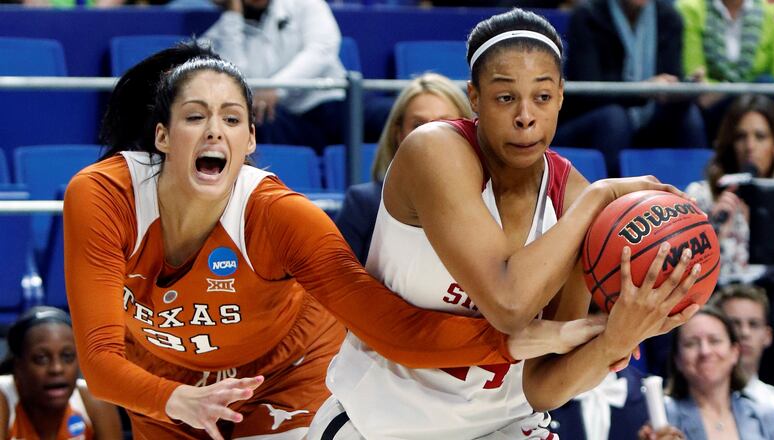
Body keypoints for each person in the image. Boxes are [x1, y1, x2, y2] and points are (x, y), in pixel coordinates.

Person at [65, 42, 612, 439]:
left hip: (283, 374)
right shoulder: (102, 197)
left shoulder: (279, 215)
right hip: (168, 380)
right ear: (162, 136)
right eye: (194, 116)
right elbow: (100, 362)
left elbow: (388, 327)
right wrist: (174, 398)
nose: (213, 130)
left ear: (251, 139)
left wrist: (525, 341)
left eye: (232, 118)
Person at [308, 9, 701, 440]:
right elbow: (509, 306)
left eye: (543, 97)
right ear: (474, 98)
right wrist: (596, 200)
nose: (526, 116)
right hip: (382, 424)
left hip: (505, 426)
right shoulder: (435, 151)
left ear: (562, 98)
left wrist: (616, 340)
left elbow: (543, 386)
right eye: (505, 97)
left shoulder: (574, 199)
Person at [201, 0, 385, 151]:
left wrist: (277, 88)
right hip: (283, 118)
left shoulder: (306, 5)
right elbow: (237, 78)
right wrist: (232, 15)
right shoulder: (220, 35)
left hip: (333, 103)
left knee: (393, 115)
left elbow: (322, 50)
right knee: (254, 125)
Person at [334, 73, 473, 264]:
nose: (429, 135)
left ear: (467, 132)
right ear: (398, 134)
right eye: (418, 125)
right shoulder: (363, 204)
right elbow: (332, 286)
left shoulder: (489, 203)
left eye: (444, 124)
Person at [557, 0, 708, 175]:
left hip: (648, 121)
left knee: (689, 117)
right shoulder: (587, 15)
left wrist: (684, 88)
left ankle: (696, 193)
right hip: (594, 122)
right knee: (614, 119)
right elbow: (590, 93)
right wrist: (644, 90)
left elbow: (671, 74)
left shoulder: (669, 18)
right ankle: (612, 197)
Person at [638, 306, 774, 439]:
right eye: (691, 343)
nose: (705, 351)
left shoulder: (767, 417)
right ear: (677, 359)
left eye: (714, 340)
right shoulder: (660, 419)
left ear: (735, 352)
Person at [685, 94, 774, 284]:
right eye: (741, 137)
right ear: (730, 143)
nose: (750, 147)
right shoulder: (701, 196)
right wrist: (714, 231)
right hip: (719, 300)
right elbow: (685, 272)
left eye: (760, 137)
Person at [0, 306, 122, 440]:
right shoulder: (3, 397)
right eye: (41, 358)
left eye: (67, 356)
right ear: (18, 365)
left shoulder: (94, 400)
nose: (57, 368)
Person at [676, 0, 774, 139]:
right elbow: (696, 78)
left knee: (767, 83)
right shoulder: (689, 8)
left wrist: (727, 90)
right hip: (714, 110)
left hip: (764, 107)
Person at [712, 284, 774, 423]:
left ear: (768, 336)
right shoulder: (680, 407)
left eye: (753, 324)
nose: (744, 333)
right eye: (734, 323)